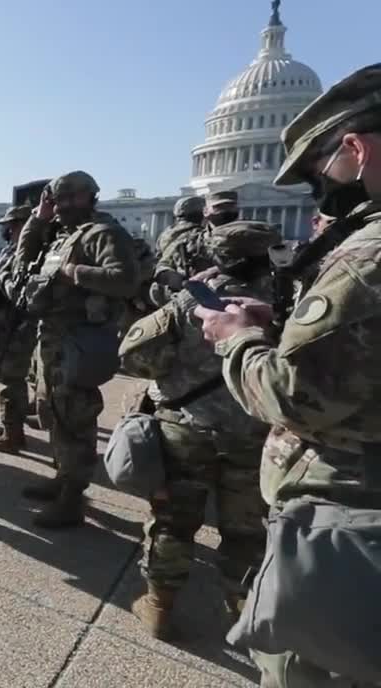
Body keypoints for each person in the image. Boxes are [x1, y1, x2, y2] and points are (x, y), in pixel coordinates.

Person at [195, 62, 381, 688]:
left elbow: (290, 395)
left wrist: (237, 337)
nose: (317, 194)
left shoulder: (366, 260)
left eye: (316, 172)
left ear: (353, 148)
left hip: (347, 530)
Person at [119, 220, 280, 640]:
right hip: (253, 432)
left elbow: (134, 356)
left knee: (173, 521)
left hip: (187, 428)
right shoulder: (288, 298)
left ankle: (159, 606)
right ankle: (245, 608)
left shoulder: (194, 300)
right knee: (246, 527)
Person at [15, 170, 140, 528]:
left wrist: (75, 272)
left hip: (79, 339)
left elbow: (126, 280)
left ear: (91, 196)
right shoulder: (62, 234)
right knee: (50, 412)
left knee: (75, 418)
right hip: (52, 337)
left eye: (73, 198)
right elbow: (25, 262)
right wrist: (38, 221)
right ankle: (62, 476)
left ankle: (73, 498)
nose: (65, 206)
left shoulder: (104, 233)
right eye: (59, 199)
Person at [0, 203, 38, 453]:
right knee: (10, 378)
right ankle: (11, 429)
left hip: (18, 324)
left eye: (12, 226)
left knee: (11, 380)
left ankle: (13, 435)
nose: (8, 231)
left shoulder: (30, 254)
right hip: (5, 321)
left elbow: (16, 289)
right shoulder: (12, 251)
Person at [148, 196, 211, 308]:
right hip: (187, 292)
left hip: (163, 290)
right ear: (201, 214)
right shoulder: (200, 235)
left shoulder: (165, 234)